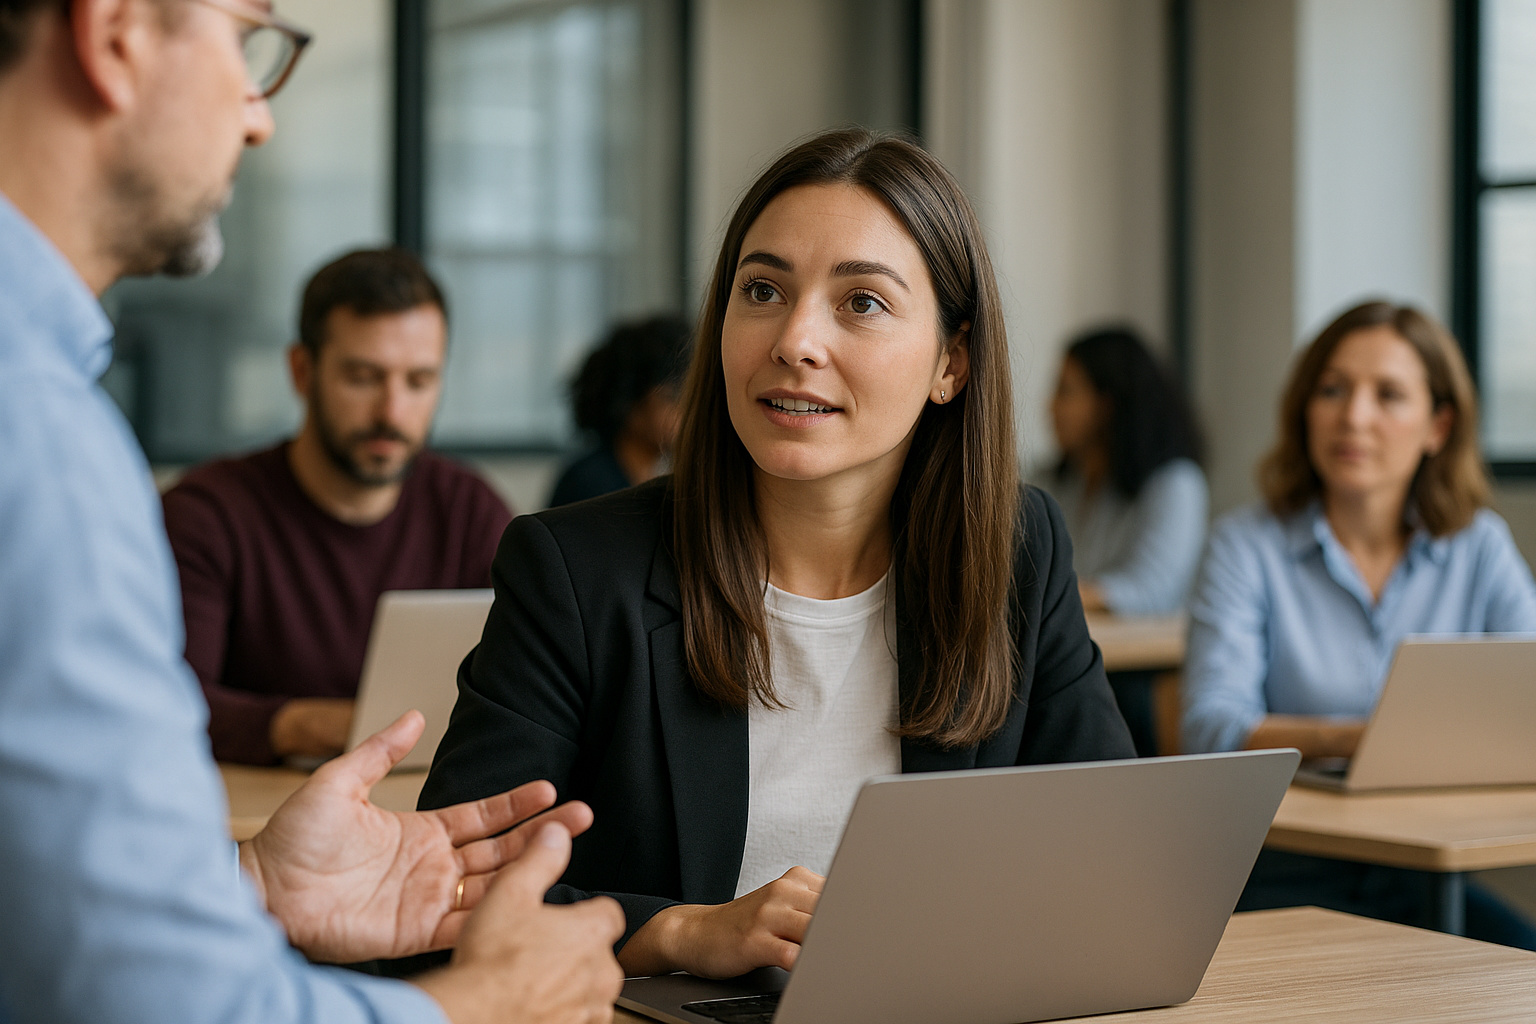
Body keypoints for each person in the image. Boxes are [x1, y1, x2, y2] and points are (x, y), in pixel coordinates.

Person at [0, 1, 624, 1022]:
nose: (259, 117)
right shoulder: (42, 438)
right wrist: (481, 1007)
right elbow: (152, 1001)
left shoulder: (46, 418)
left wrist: (255, 883)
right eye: (248, 40)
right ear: (115, 37)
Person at [415, 128, 1135, 981]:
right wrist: (684, 933)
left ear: (953, 359)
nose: (795, 340)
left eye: (861, 302)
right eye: (762, 290)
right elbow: (446, 890)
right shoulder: (575, 570)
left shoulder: (1018, 551)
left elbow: (1112, 865)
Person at [1180, 299, 1536, 948]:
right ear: (1303, 410)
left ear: (1438, 425)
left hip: (1427, 874)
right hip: (1279, 876)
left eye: (1389, 395)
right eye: (1333, 390)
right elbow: (1210, 727)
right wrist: (1361, 739)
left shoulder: (1480, 546)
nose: (1354, 416)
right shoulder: (1244, 545)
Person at [162, 247, 512, 765]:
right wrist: (312, 725)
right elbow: (165, 705)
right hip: (252, 825)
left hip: (420, 811)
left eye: (418, 381)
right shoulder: (208, 514)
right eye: (364, 378)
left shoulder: (469, 511)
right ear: (302, 372)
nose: (392, 411)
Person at [1039, 326, 1207, 617]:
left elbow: (1153, 590)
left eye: (1066, 391)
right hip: (1064, 650)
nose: (1051, 406)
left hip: (1141, 657)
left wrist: (1044, 596)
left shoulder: (1176, 484)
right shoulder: (1054, 482)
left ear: (1106, 404)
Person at [548, 314, 689, 507]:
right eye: (674, 397)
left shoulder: (653, 477)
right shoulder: (588, 484)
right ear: (629, 402)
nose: (687, 410)